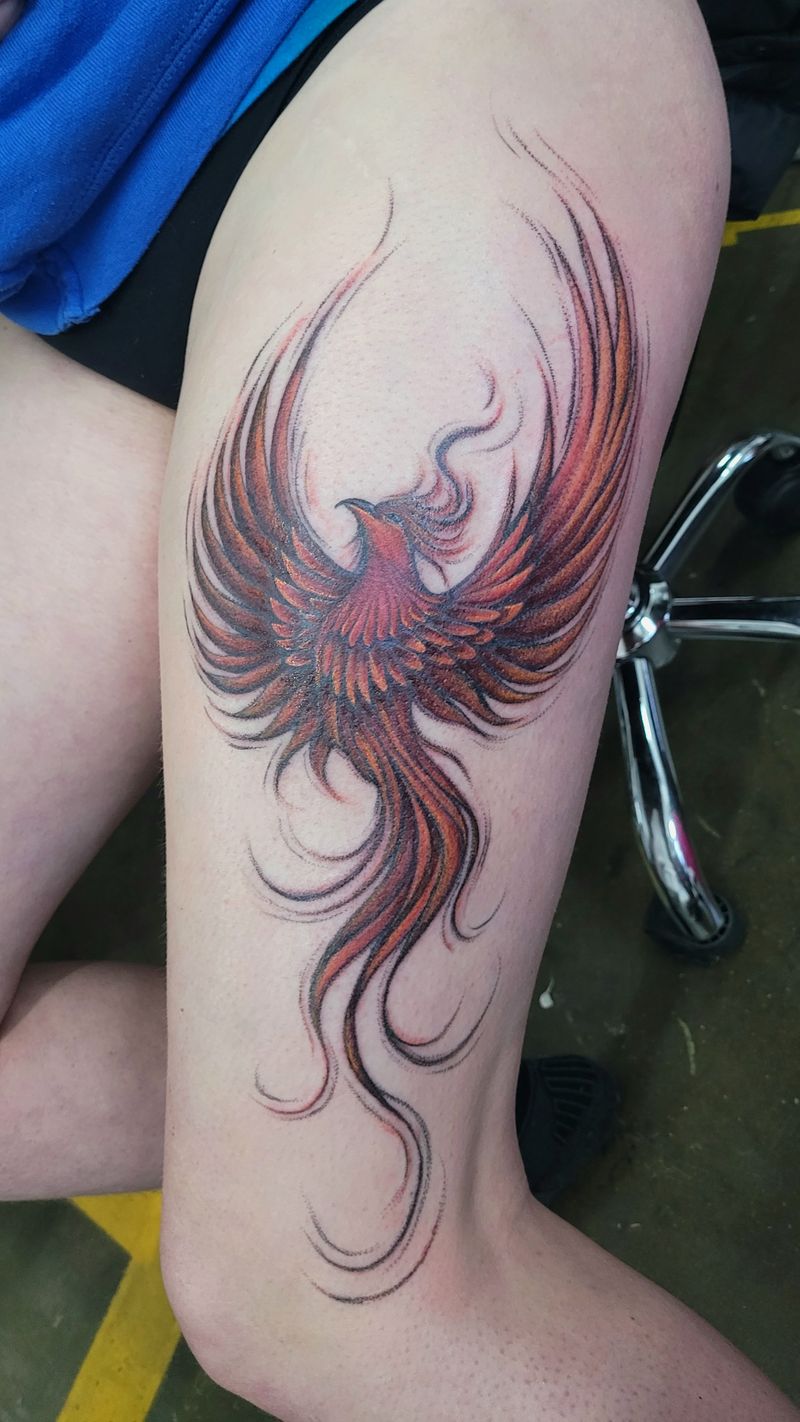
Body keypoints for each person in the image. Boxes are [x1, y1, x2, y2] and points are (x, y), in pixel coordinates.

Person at [0, 1, 796, 1418]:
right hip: (71, 210)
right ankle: (394, 1106)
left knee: (331, 1295)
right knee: (333, 1194)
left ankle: (390, 1153)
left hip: (393, 39)